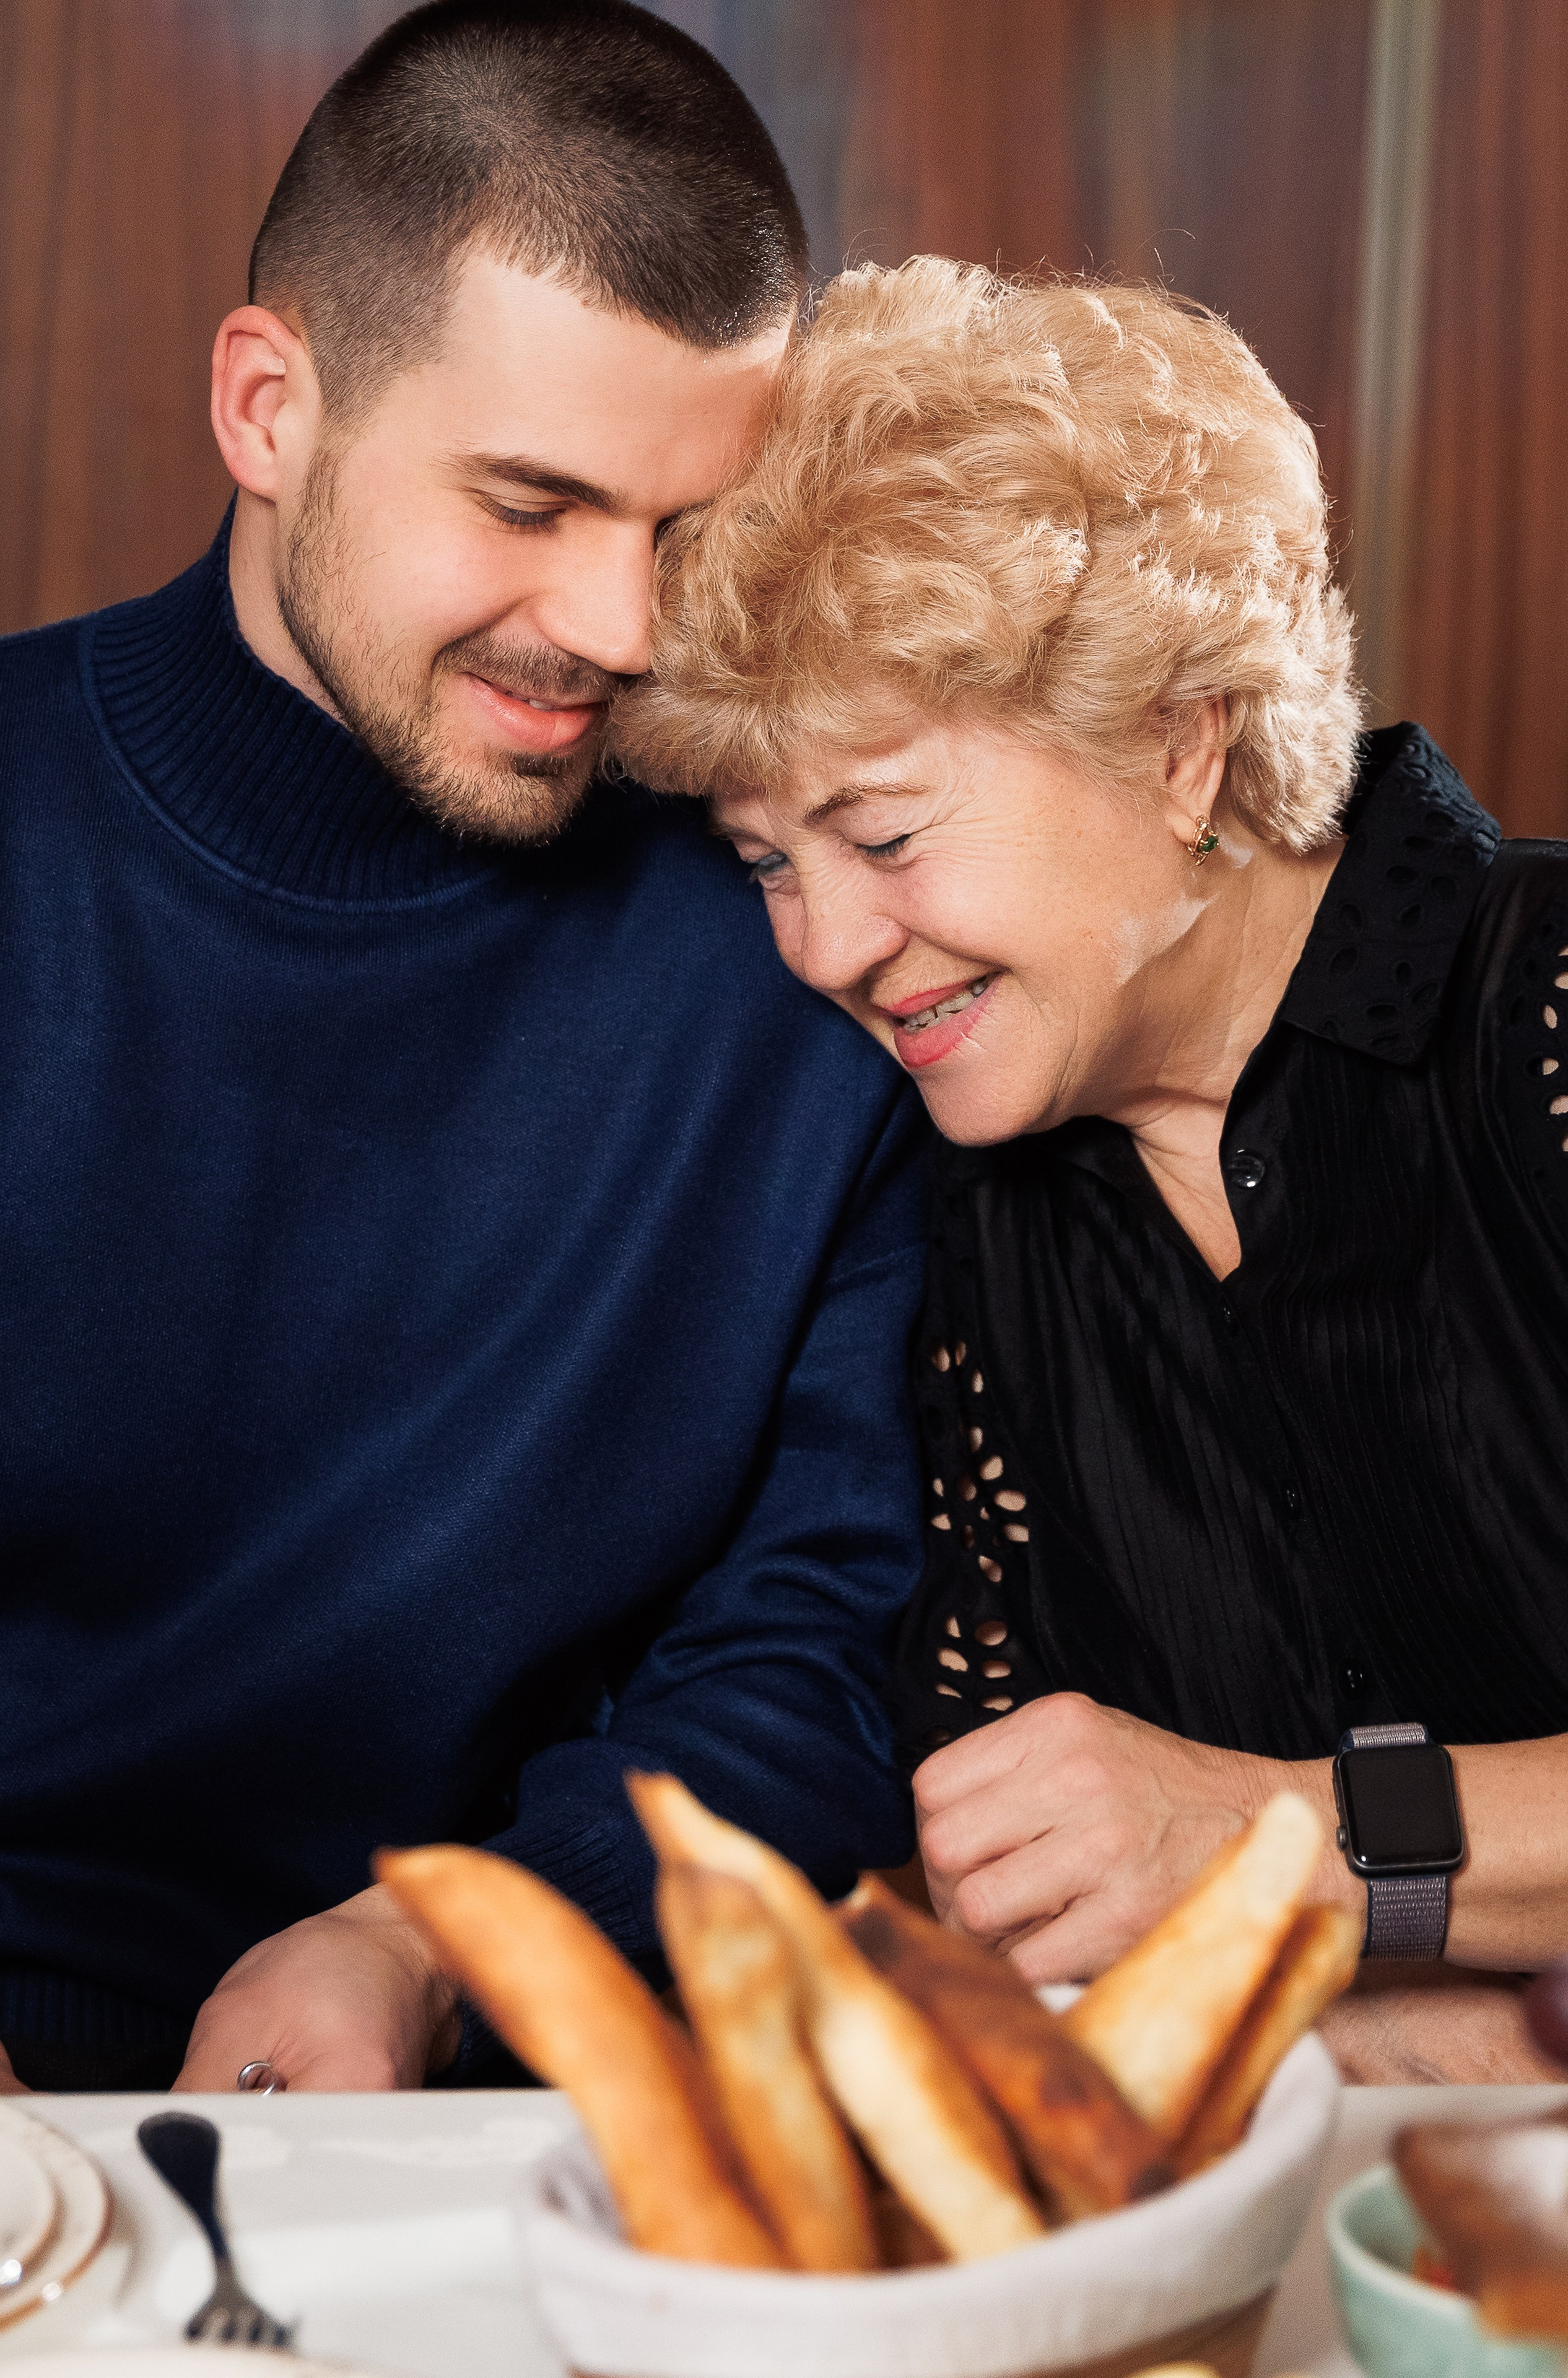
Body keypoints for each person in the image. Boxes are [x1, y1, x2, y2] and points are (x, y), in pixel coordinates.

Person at [0, 2, 928, 2098]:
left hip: (514, 2104)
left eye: (685, 529)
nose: (624, 630)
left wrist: (437, 1944)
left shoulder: (809, 938)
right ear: (268, 407)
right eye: (531, 502)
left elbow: (811, 1662)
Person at [612, 258, 1568, 2081]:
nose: (821, 948)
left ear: (1178, 742)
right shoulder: (983, 1219)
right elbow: (1032, 1906)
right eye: (768, 864)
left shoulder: (1548, 1011)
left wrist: (1294, 1849)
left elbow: (1205, 1884)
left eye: (882, 831)